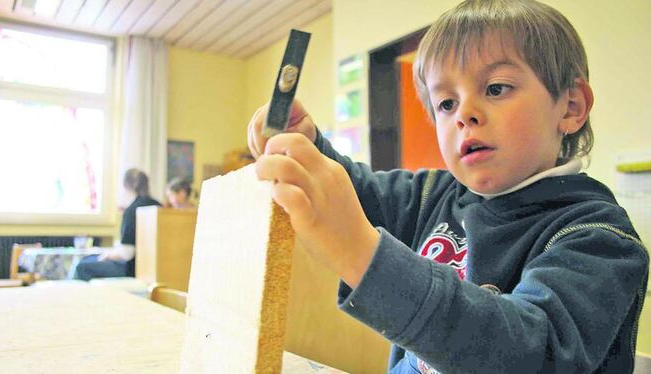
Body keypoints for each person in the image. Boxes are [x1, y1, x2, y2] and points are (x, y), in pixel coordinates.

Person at [247, 1, 649, 372]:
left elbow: (533, 351)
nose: (465, 115)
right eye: (446, 104)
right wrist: (308, 146)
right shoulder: (434, 195)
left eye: (495, 88)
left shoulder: (597, 236)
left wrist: (362, 255)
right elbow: (356, 191)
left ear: (571, 107)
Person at [75, 168, 161, 281]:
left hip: (133, 269)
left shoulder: (131, 211)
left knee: (82, 266)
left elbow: (127, 253)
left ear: (126, 186)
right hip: (156, 266)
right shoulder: (159, 206)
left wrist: (107, 255)